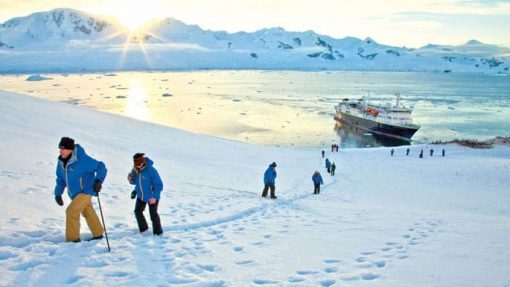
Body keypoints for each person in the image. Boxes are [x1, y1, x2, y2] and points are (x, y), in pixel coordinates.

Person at [54, 137, 107, 242]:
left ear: (70, 149)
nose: (61, 151)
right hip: (75, 193)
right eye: (60, 149)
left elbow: (101, 166)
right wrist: (58, 193)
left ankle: (73, 240)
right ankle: (98, 233)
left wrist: (98, 181)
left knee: (71, 211)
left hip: (86, 190)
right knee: (87, 211)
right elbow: (60, 179)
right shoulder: (61, 162)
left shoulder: (82, 159)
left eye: (63, 149)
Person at [128, 153, 164, 236]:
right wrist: (132, 184)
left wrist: (154, 197)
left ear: (143, 162)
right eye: (136, 165)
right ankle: (144, 230)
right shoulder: (135, 170)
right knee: (137, 211)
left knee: (153, 214)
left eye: (140, 164)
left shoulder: (151, 170)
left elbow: (159, 185)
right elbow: (137, 183)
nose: (138, 166)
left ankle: (158, 233)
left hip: (152, 196)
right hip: (141, 196)